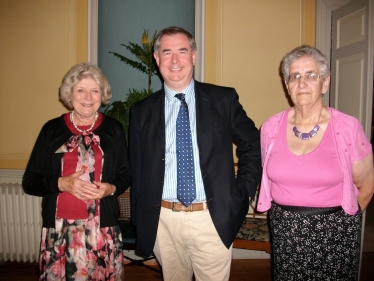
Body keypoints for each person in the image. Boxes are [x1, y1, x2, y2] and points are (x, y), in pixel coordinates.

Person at [128, 26, 262, 281]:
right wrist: (142, 219)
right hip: (163, 221)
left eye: (182, 51)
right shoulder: (141, 111)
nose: (175, 60)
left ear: (193, 56)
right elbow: (137, 167)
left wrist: (241, 192)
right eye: (167, 52)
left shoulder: (223, 99)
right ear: (157, 59)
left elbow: (253, 144)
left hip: (211, 218)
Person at [257, 45, 374, 280]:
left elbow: (367, 187)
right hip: (286, 231)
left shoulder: (347, 127)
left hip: (335, 231)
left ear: (325, 82)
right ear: (287, 84)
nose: (302, 83)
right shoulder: (270, 127)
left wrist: (340, 225)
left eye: (311, 75)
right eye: (294, 76)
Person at [22, 63, 131, 280]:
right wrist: (61, 183)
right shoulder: (51, 129)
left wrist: (110, 188)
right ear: (69, 95)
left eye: (95, 90)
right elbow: (30, 181)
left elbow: (126, 174)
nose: (88, 97)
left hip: (102, 229)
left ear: (102, 94)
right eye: (81, 90)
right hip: (60, 231)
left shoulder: (114, 129)